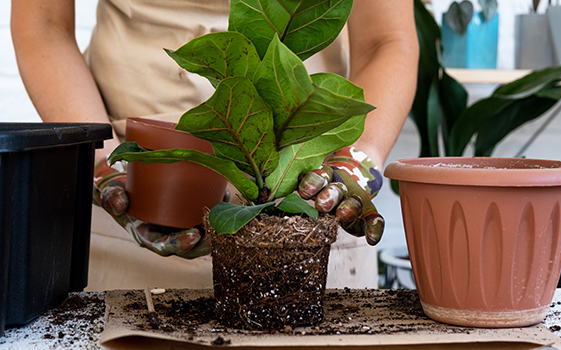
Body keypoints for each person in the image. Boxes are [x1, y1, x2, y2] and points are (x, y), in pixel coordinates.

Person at [11, 0, 418, 291]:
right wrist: (101, 161)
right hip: (132, 195)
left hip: (311, 210)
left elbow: (387, 39)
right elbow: (43, 23)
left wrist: (355, 156)